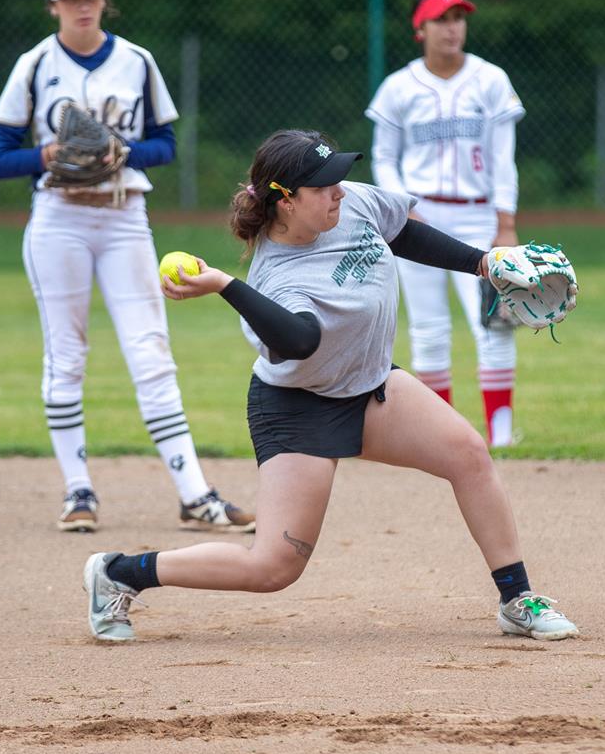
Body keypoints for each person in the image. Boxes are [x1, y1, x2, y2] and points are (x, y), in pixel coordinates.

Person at [79, 129, 579, 644]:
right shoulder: (280, 278)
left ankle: (517, 598)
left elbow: (401, 231)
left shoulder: (350, 203)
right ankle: (120, 572)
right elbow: (300, 341)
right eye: (323, 186)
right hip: (299, 411)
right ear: (286, 202)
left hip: (370, 386)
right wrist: (228, 285)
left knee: (468, 454)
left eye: (337, 178)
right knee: (273, 568)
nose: (338, 190)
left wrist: (483, 262)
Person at [0, 0, 251, 533]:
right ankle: (78, 491)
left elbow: (166, 144)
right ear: (53, 3)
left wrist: (121, 152)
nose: (83, 5)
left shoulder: (136, 62)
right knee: (67, 354)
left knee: (151, 351)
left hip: (124, 216)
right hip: (58, 218)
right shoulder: (34, 66)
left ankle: (194, 492)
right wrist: (49, 154)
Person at [366, 0, 527, 446]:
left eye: (458, 18)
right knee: (430, 328)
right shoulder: (399, 87)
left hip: (478, 215)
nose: (452, 27)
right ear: (421, 29)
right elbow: (383, 158)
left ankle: (501, 432)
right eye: (441, 19)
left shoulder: (490, 79)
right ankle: (447, 435)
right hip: (420, 215)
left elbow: (503, 157)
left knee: (494, 323)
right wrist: (401, 210)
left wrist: (506, 220)